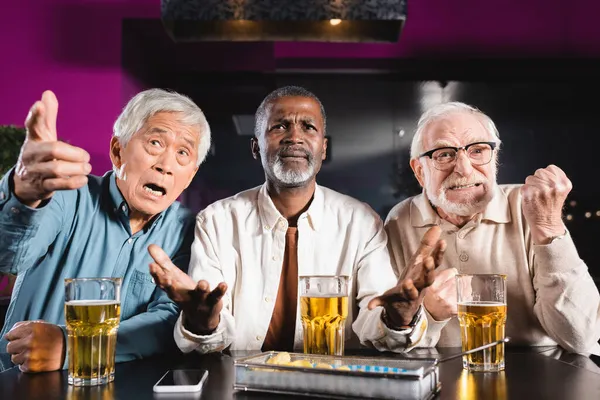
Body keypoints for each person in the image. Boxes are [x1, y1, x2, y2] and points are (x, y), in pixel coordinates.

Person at [148, 86, 445, 354]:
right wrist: (204, 323)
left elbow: (374, 322)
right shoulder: (216, 221)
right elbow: (208, 331)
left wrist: (399, 318)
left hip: (332, 386)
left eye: (308, 127)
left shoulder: (361, 222)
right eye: (279, 126)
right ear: (256, 148)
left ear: (323, 148)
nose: (294, 137)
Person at [0, 88, 211, 372]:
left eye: (183, 153)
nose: (165, 166)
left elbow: (169, 320)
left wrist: (73, 345)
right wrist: (24, 196)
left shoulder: (189, 231)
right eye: (155, 143)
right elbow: (10, 257)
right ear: (117, 150)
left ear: (190, 176)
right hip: (18, 381)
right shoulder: (67, 195)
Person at [385, 101, 600, 354]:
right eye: (444, 154)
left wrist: (548, 226)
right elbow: (392, 342)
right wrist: (429, 314)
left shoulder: (529, 206)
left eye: (477, 151)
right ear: (420, 171)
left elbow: (582, 339)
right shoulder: (400, 220)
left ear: (494, 157)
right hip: (442, 375)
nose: (464, 169)